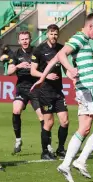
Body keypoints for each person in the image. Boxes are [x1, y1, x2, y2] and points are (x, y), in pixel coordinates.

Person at [31, 13, 93, 182]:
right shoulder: (80, 38)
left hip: (84, 89)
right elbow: (62, 56)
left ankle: (66, 164)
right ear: (90, 26)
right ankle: (80, 161)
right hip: (90, 88)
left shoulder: (81, 40)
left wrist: (42, 77)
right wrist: (70, 69)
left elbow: (56, 56)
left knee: (84, 128)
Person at [30, 24, 69, 160]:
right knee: (49, 122)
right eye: (51, 34)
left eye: (56, 34)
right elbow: (33, 71)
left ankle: (60, 149)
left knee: (64, 121)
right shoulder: (39, 50)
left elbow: (65, 67)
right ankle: (45, 151)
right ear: (47, 34)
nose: (54, 36)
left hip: (58, 91)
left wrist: (72, 76)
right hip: (45, 92)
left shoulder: (61, 49)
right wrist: (46, 76)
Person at [7, 31, 43, 154]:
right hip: (21, 87)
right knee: (16, 110)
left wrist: (34, 68)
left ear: (30, 39)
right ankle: (18, 140)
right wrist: (19, 66)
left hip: (35, 87)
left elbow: (43, 67)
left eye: (27, 39)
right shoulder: (15, 54)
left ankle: (47, 145)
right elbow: (9, 71)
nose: (25, 41)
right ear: (19, 41)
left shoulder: (36, 52)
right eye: (22, 39)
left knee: (42, 117)